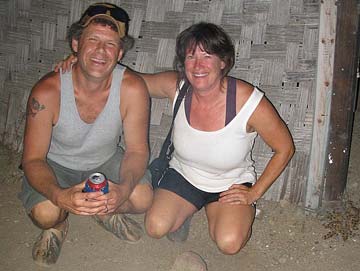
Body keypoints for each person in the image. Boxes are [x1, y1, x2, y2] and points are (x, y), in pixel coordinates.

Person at [57, 22, 295, 255]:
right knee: (155, 227)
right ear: (183, 63)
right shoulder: (178, 86)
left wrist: (254, 193)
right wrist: (87, 64)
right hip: (184, 174)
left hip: (229, 183)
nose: (198, 65)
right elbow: (131, 80)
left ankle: (213, 211)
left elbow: (284, 148)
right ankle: (186, 212)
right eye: (191, 57)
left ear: (223, 61)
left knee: (229, 243)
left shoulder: (247, 100)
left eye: (207, 56)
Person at [20, 2, 152, 267]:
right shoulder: (47, 92)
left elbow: (137, 150)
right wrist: (59, 196)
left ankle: (104, 210)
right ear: (76, 44)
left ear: (120, 52)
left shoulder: (132, 88)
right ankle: (58, 226)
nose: (101, 51)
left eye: (110, 44)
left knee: (142, 198)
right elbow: (32, 160)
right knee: (46, 213)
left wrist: (123, 189)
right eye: (93, 40)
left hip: (105, 160)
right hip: (56, 166)